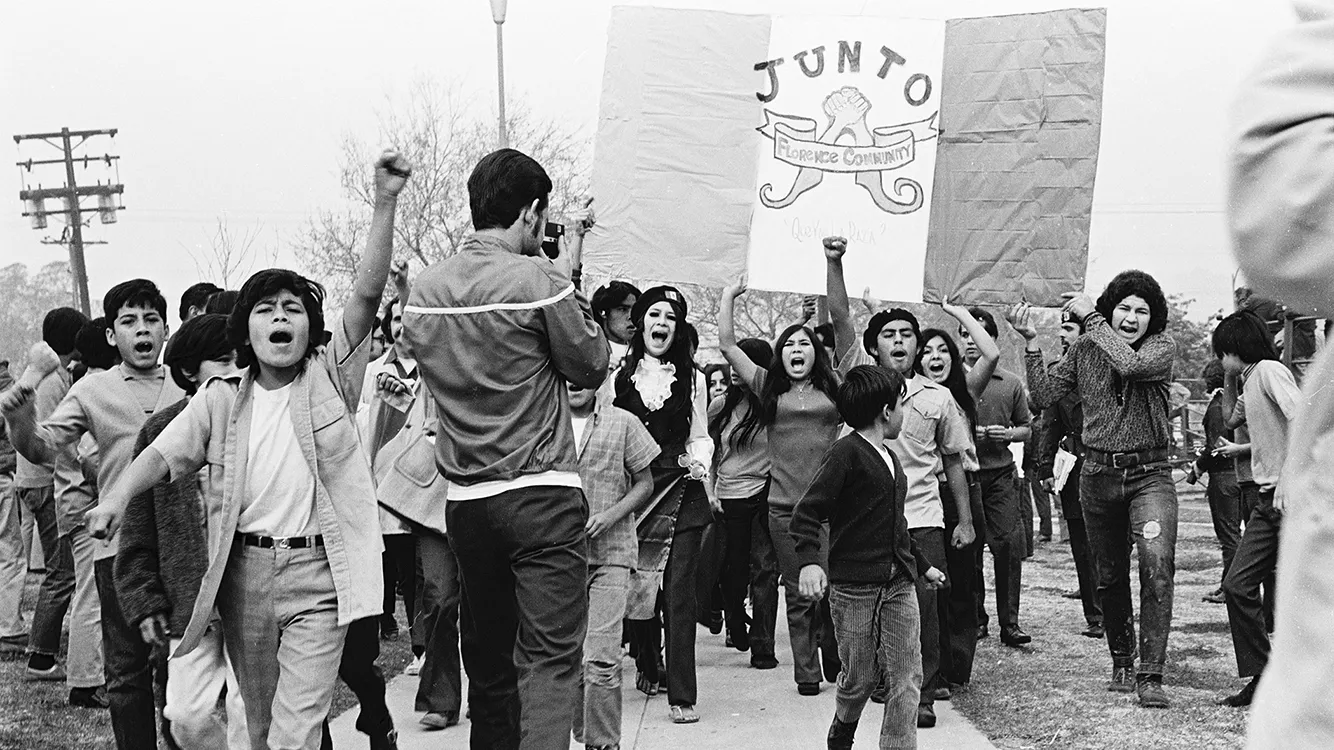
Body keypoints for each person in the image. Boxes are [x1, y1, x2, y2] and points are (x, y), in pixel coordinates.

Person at [86, 151, 409, 748]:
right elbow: (160, 457)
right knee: (256, 728)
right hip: (244, 574)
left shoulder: (332, 378)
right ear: (248, 332)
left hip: (319, 574)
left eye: (293, 309)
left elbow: (365, 295)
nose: (280, 318)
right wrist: (114, 499)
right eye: (265, 310)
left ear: (310, 328)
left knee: (295, 731)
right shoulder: (219, 400)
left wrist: (384, 201)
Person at [401, 148, 609, 747]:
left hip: (466, 501)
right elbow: (590, 366)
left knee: (488, 661)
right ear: (532, 212)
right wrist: (568, 284)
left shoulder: (425, 292)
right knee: (548, 660)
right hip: (542, 494)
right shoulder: (540, 282)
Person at [3, 279, 186, 748]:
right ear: (112, 336)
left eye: (151, 319)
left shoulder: (190, 384)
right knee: (126, 674)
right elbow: (43, 448)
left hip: (184, 550)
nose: (141, 330)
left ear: (166, 329)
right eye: (128, 321)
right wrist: (20, 417)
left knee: (184, 677)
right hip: (119, 550)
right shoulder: (92, 390)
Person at [1227, 10, 1334, 741]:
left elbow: (1277, 222)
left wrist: (1279, 481)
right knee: (1248, 588)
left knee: (1243, 586)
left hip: (1274, 499)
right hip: (1270, 493)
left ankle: (1258, 671)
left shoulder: (1266, 370)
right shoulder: (1240, 383)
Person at [824, 237, 976, 727]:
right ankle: (875, 680)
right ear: (875, 346)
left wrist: (965, 521)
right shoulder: (859, 380)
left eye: (907, 334)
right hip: (865, 521)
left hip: (923, 518)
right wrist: (835, 264)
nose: (898, 342)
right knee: (867, 613)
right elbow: (841, 317)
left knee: (924, 608)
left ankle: (923, 693)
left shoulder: (938, 397)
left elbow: (953, 461)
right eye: (888, 334)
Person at [1015, 269, 1178, 709]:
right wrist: (1032, 342)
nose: (1132, 317)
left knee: (1156, 564)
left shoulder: (1161, 348)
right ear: (1110, 308)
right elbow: (1044, 395)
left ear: (1152, 318)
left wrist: (1092, 321)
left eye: (1142, 310)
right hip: (1097, 476)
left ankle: (1151, 674)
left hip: (1150, 475)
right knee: (1108, 575)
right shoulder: (1087, 347)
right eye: (1124, 306)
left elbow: (1130, 363)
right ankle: (1122, 660)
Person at [791, 364, 946, 750]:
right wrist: (810, 561)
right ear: (886, 411)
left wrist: (923, 567)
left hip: (898, 585)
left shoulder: (893, 461)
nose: (904, 413)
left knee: (906, 675)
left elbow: (897, 527)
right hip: (854, 588)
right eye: (902, 405)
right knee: (860, 675)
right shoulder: (845, 454)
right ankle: (843, 724)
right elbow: (806, 513)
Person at [112, 312, 249, 749]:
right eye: (221, 361)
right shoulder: (161, 429)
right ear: (190, 370)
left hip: (255, 594)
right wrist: (144, 598)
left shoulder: (261, 422)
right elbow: (138, 527)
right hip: (192, 603)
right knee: (185, 716)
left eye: (240, 360)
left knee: (251, 713)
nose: (235, 371)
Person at [719, 281, 841, 698]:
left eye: (804, 343)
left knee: (832, 590)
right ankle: (806, 673)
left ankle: (835, 658)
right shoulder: (768, 388)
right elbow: (728, 345)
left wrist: (828, 293)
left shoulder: (835, 388)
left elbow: (846, 331)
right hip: (785, 510)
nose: (796, 350)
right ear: (780, 355)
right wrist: (729, 297)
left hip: (832, 509)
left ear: (816, 352)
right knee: (800, 593)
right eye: (788, 345)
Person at [362, 264, 462, 733]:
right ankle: (441, 698)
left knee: (489, 603)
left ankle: (490, 691)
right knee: (439, 597)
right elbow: (416, 327)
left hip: (493, 492)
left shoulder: (502, 355)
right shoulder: (434, 358)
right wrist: (403, 288)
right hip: (438, 498)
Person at [614, 285, 714, 723]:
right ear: (642, 323)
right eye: (654, 314)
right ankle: (648, 665)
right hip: (632, 492)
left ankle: (682, 694)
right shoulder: (616, 372)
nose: (661, 324)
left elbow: (701, 433)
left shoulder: (694, 378)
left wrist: (700, 461)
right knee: (639, 590)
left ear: (679, 328)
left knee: (677, 596)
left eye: (670, 318)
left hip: (681, 491)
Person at [1210, 312, 1301, 707]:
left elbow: (1306, 420)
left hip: (1291, 499)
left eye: (1221, 353)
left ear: (1234, 347)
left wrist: (1288, 479)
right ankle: (1265, 678)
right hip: (1267, 503)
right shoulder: (1249, 378)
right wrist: (1231, 376)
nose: (1218, 361)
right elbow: (1231, 420)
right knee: (1238, 586)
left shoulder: (1270, 371)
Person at [567, 378, 658, 750]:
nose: (574, 382)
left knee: (602, 656)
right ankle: (583, 729)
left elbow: (645, 483)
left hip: (612, 553)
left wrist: (611, 515)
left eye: (581, 373)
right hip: (557, 557)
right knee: (567, 657)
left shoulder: (623, 422)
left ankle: (604, 743)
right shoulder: (541, 422)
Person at [911, 309, 996, 691]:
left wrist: (956, 311)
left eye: (943, 349)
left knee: (963, 581)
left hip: (964, 494)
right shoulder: (907, 395)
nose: (935, 357)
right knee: (932, 584)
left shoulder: (964, 393)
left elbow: (990, 354)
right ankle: (935, 667)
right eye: (927, 350)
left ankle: (957, 666)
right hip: (926, 495)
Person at [12, 307, 87, 683]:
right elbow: (55, 439)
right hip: (45, 482)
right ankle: (41, 657)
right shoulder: (55, 381)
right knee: (61, 572)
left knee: (59, 570)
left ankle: (42, 653)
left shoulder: (49, 374)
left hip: (30, 480)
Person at [707, 338, 780, 670]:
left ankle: (763, 646)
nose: (737, 369)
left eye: (747, 362)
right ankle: (735, 617)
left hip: (764, 494)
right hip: (727, 498)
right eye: (735, 361)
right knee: (732, 572)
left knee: (765, 569)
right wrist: (709, 492)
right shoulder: (719, 406)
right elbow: (708, 453)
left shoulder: (773, 405)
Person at [963, 307, 1033, 648]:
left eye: (980, 334)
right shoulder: (949, 382)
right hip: (965, 477)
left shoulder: (1010, 383)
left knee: (1007, 546)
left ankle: (1011, 624)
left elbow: (1027, 428)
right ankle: (976, 619)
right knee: (969, 549)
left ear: (992, 340)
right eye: (965, 334)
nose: (971, 342)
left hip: (1001, 475)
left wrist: (1008, 435)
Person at [1033, 311, 1104, 639]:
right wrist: (1045, 467)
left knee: (1107, 541)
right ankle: (1095, 614)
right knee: (1079, 539)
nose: (1063, 334)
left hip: (1106, 462)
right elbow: (1050, 423)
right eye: (1061, 328)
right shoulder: (1056, 377)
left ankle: (1110, 605)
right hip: (1074, 466)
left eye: (1069, 327)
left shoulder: (1106, 368)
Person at [1195, 359, 1243, 605]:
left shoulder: (1217, 406)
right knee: (1236, 535)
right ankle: (1229, 583)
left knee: (1229, 536)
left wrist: (1198, 466)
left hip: (1223, 477)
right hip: (1240, 474)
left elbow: (1215, 445)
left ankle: (1230, 588)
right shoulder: (1237, 399)